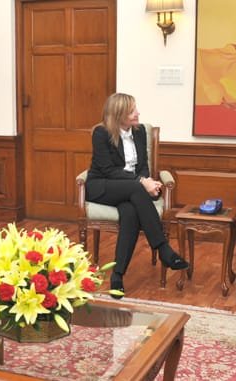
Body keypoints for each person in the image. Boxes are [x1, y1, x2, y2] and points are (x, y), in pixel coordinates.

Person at [85, 93, 189, 298]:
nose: (137, 113)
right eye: (132, 111)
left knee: (130, 213)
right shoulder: (101, 133)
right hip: (103, 186)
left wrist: (145, 179)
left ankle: (117, 275)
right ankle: (163, 249)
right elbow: (107, 170)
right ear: (119, 114)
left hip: (128, 190)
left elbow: (143, 166)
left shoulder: (140, 132)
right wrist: (144, 183)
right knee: (136, 189)